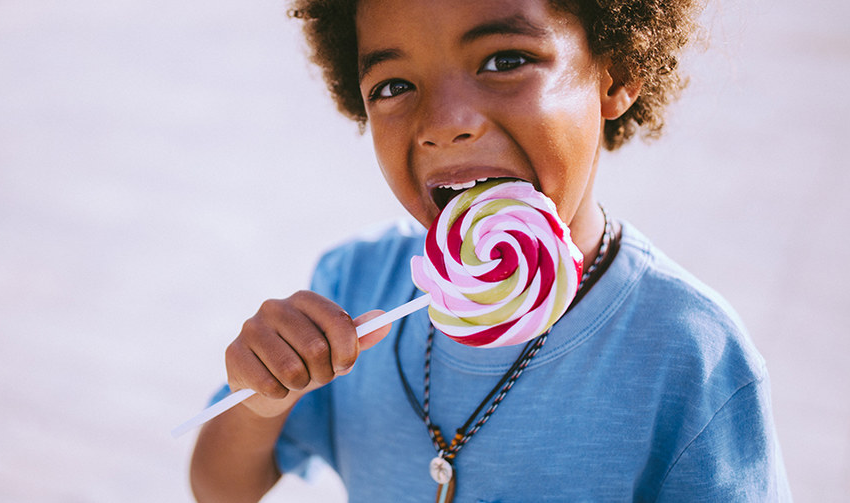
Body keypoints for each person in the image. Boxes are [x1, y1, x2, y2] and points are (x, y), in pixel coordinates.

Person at [189, 0, 790, 501]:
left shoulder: (693, 354)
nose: (445, 122)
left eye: (506, 60)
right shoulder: (353, 286)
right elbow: (219, 487)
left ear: (618, 72)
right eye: (395, 85)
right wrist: (262, 401)